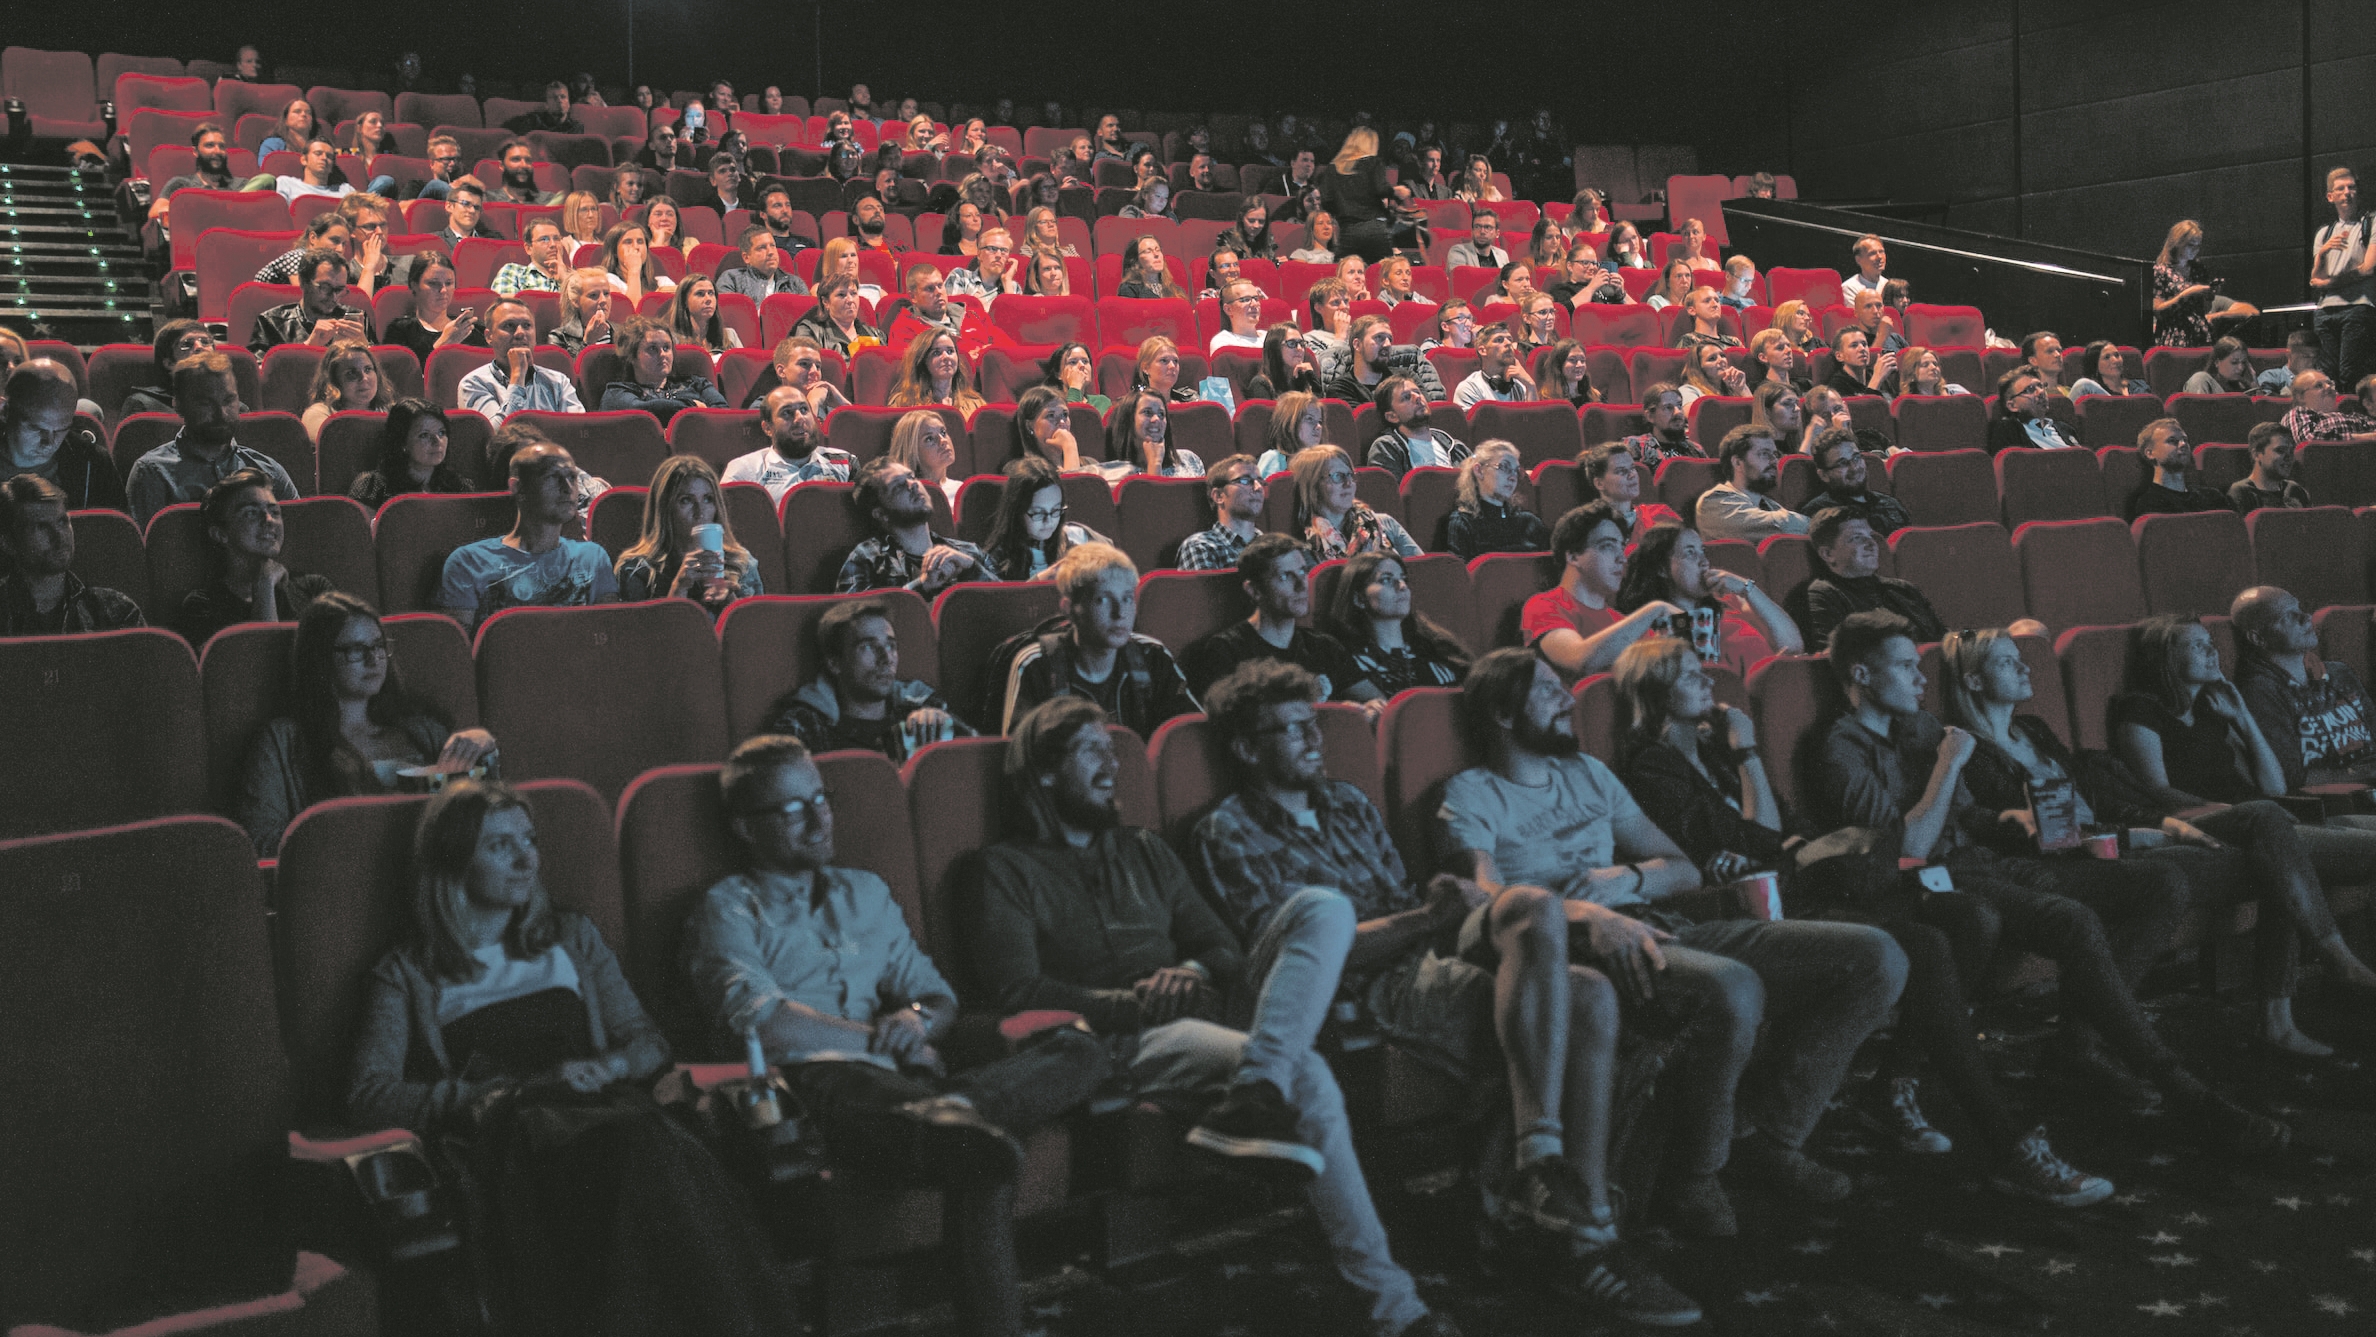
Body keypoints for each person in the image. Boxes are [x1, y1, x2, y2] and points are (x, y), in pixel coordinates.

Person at [1191, 661, 1699, 1325]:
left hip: (1425, 952)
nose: (1314, 738)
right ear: (1246, 748)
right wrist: (1425, 918)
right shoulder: (1229, 830)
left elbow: (1406, 904)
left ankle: (1542, 1165)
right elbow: (1298, 960)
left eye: (1312, 723)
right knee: (1586, 994)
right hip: (1366, 986)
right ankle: (1586, 1236)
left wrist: (1437, 908)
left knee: (1542, 919)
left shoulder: (1347, 802)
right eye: (1291, 729)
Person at [967, 698, 1460, 1337]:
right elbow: (1018, 989)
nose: (1113, 764)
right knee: (1306, 1073)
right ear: (1043, 772)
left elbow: (1222, 948)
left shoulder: (1143, 849)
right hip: (1126, 1037)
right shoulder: (1004, 869)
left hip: (1212, 1005)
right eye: (1091, 751)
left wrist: (1192, 971)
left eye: (1113, 749)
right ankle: (1395, 1310)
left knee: (1325, 907)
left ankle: (1257, 1085)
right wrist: (1131, 1002)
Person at [1616, 634, 2115, 1205]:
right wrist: (1752, 762)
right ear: (1655, 692)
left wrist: (1752, 777)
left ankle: (1893, 1086)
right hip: (1764, 904)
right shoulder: (1651, 765)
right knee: (1925, 945)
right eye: (1690, 675)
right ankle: (2006, 1140)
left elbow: (1776, 829)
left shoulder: (1714, 752)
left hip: (1810, 880)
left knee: (1963, 917)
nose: (1709, 680)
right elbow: (1753, 838)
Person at [1444, 647, 1910, 1224]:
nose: (1567, 699)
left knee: (1877, 956)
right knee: (1734, 987)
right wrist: (1588, 914)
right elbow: (1489, 901)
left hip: (1662, 919)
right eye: (1546, 690)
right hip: (1582, 946)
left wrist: (1627, 877)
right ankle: (1696, 1175)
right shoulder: (1469, 794)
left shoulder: (1589, 774)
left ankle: (1772, 1136)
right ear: (1502, 714)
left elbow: (1683, 869)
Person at [1816, 612, 2289, 1151]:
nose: (1921, 679)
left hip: (1983, 861)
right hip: (1929, 880)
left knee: (2158, 882)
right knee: (2072, 919)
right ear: (1862, 675)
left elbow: (1967, 816)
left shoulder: (1921, 727)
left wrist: (2009, 819)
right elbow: (1908, 851)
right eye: (1905, 667)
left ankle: (2078, 1047)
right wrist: (1948, 766)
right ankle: (2178, 1087)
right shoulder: (1841, 749)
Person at [687, 736, 1106, 1337]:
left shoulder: (866, 892)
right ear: (746, 828)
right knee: (981, 1152)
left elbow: (936, 997)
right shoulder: (729, 907)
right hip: (818, 1085)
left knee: (1079, 1047)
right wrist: (879, 1041)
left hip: (906, 1083)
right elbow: (761, 1021)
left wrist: (915, 1021)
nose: (819, 820)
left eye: (821, 799)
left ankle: (951, 1113)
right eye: (793, 810)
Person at [350, 779, 801, 1336]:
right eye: (501, 846)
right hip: (518, 1135)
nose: (527, 860)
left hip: (607, 1110)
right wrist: (489, 1093)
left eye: (530, 840)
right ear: (453, 861)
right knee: (645, 1152)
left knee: (656, 1147)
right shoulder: (406, 972)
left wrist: (610, 1066)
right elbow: (369, 1095)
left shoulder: (570, 937)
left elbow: (647, 1042)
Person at [1947, 623, 2371, 1063]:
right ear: (1974, 681)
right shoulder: (1969, 753)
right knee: (2277, 857)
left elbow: (2102, 800)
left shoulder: (2033, 730)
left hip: (2127, 834)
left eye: (2021, 658)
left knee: (2266, 822)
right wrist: (2137, 837)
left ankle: (2312, 985)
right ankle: (2301, 996)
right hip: (2101, 857)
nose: (2024, 668)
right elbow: (2033, 835)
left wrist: (2167, 825)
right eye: (2007, 662)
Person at [994, 542, 1198, 735]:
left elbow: (1189, 733)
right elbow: (1021, 753)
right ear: (1069, 608)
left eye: (1127, 599)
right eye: (1103, 600)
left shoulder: (1152, 656)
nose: (1120, 613)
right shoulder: (1037, 665)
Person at [746, 603, 971, 759]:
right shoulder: (806, 726)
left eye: (891, 645)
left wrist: (948, 726)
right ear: (835, 663)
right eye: (868, 646)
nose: (886, 658)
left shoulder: (922, 707)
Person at [1182, 535, 1383, 706]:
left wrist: (1368, 710)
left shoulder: (1324, 647)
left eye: (1303, 572)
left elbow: (1378, 704)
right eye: (1286, 576)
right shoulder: (1226, 650)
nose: (1302, 585)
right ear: (1254, 590)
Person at [437, 442, 617, 630]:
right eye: (553, 477)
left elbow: (609, 636)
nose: (568, 488)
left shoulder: (593, 557)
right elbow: (459, 645)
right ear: (518, 487)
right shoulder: (469, 562)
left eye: (572, 477)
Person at [126, 352, 299, 528]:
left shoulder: (269, 470)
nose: (221, 414)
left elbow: (299, 537)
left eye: (228, 400)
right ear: (178, 405)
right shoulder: (152, 473)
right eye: (206, 403)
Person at [171, 468, 335, 646]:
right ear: (221, 534)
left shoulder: (313, 589)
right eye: (251, 513)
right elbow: (263, 658)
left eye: (275, 512)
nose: (269, 520)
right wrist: (264, 584)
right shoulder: (202, 605)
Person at [1617, 519, 1801, 678]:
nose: (1704, 562)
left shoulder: (1732, 602)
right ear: (1662, 569)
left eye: (1702, 551)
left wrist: (1747, 588)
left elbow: (1793, 646)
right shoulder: (1652, 627)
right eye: (1690, 553)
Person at [612, 454, 762, 613]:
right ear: (665, 510)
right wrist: (679, 588)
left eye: (708, 499)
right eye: (686, 500)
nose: (700, 512)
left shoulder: (741, 563)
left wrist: (730, 602)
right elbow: (645, 629)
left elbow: (755, 627)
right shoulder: (637, 570)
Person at [0, 473, 143, 635]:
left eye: (63, 522)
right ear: (8, 543)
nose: (59, 536)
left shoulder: (117, 613)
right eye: (42, 527)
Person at [836, 457, 989, 595]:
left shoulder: (969, 552)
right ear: (881, 513)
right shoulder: (866, 558)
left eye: (911, 477)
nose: (913, 485)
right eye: (898, 486)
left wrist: (973, 568)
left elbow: (1003, 603)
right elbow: (853, 614)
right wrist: (922, 586)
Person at [1320, 553, 1471, 694]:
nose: (1402, 586)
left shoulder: (1437, 650)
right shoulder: (1349, 666)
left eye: (1403, 579)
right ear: (1359, 599)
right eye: (1386, 579)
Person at [1802, 508, 1944, 650]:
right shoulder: (1824, 593)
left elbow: (1943, 640)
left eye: (1870, 535)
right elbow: (1835, 655)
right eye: (1857, 538)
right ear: (1828, 554)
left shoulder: (1903, 589)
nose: (1871, 543)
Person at [3, 359, 123, 513]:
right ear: (6, 412)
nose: (49, 443)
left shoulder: (94, 462)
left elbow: (115, 525)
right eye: (36, 428)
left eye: (61, 430)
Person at [979, 457, 1108, 581]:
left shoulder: (1071, 542)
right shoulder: (998, 559)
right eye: (1038, 513)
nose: (1049, 521)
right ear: (1017, 512)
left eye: (1056, 510)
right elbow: (1004, 595)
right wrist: (1041, 579)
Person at [459, 299, 585, 426]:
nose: (520, 333)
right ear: (489, 336)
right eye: (509, 325)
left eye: (527, 326)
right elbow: (495, 434)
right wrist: (518, 377)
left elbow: (579, 429)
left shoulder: (558, 381)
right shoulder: (473, 383)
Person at [1293, 444, 1418, 565]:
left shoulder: (1386, 524)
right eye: (1338, 476)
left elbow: (1420, 572)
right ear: (1313, 485)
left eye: (1350, 475)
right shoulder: (1305, 546)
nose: (1348, 483)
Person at [722, 386, 853, 501]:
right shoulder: (744, 471)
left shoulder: (845, 462)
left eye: (804, 409)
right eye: (787, 413)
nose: (800, 418)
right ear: (768, 428)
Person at [2311, 166, 2376, 391]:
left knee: (2350, 373)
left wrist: (2329, 283)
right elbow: (2315, 278)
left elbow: (2367, 268)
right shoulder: (2325, 233)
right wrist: (2322, 253)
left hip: (2358, 307)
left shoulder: (2370, 223)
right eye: (2340, 188)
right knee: (2327, 374)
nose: (2347, 192)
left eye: (2351, 187)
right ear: (2330, 196)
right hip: (2326, 310)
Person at [346, 399, 473, 510]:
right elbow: (359, 529)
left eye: (441, 433)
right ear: (402, 442)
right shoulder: (373, 487)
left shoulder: (459, 486)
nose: (437, 441)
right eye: (424, 435)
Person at [1694, 426, 1814, 542]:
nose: (1774, 461)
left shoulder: (1768, 503)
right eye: (1764, 454)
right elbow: (1781, 524)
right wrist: (1818, 525)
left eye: (1776, 454)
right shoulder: (1713, 502)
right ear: (1737, 463)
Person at [250, 249, 372, 354]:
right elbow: (259, 370)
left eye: (339, 290)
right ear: (303, 282)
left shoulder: (355, 318)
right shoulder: (271, 322)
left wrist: (365, 347)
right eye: (324, 288)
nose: (334, 297)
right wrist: (308, 347)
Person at [1443, 440, 1547, 558]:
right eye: (1504, 467)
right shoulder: (1463, 524)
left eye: (1516, 471)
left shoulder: (1529, 522)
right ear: (1479, 471)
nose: (1513, 477)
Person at [1798, 428, 1911, 534]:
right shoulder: (1818, 513)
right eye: (1842, 463)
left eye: (1856, 458)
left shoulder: (1891, 504)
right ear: (1824, 475)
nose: (1854, 468)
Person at [381, 251, 483, 364]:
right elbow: (403, 373)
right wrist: (443, 343)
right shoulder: (400, 331)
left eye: (449, 283)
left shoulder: (469, 329)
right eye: (434, 283)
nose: (443, 290)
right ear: (414, 285)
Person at [1324, 314, 1447, 406]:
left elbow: (1424, 412)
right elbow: (1367, 426)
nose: (1388, 344)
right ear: (1357, 345)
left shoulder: (1407, 377)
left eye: (1389, 339)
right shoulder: (1341, 388)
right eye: (1379, 338)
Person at [2123, 417, 2225, 519]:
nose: (2183, 444)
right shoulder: (2149, 502)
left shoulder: (2213, 496)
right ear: (2150, 453)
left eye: (2185, 440)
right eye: (2172, 441)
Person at [1580, 443, 1679, 540]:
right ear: (1599, 483)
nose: (1632, 475)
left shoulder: (1660, 514)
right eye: (1621, 471)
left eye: (1632, 468)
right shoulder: (1589, 527)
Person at [298, 339, 391, 442]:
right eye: (351, 373)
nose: (364, 378)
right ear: (334, 380)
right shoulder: (318, 414)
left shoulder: (390, 411)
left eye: (368, 369)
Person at [1107, 390, 1202, 479]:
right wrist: (1155, 464)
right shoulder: (1113, 473)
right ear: (1129, 420)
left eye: (1161, 414)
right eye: (1147, 412)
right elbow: (1155, 492)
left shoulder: (1190, 460)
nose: (1156, 419)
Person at [886, 329, 986, 414]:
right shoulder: (903, 403)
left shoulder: (975, 404)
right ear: (922, 361)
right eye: (936, 353)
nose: (946, 357)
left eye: (950, 351)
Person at [1986, 369, 2083, 453]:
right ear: (2012, 406)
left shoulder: (2065, 428)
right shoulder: (2007, 430)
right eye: (2030, 389)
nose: (2041, 392)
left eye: (2041, 386)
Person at [886, 408, 962, 507]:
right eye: (929, 439)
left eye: (943, 432)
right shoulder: (903, 498)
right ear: (912, 451)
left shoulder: (962, 490)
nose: (943, 441)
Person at [2278, 368, 2376, 446]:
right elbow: (2309, 440)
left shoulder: (2353, 414)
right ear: (2300, 397)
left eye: (2330, 383)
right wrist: (2366, 437)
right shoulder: (2297, 413)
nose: (2328, 387)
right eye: (2319, 385)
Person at [788, 276, 878, 359]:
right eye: (841, 295)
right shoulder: (810, 332)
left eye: (853, 293)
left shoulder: (875, 334)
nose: (850, 300)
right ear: (826, 302)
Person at [2228, 421, 2309, 511]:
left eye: (2291, 451)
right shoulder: (2241, 493)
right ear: (2256, 454)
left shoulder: (2295, 490)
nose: (2289, 458)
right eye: (2280, 450)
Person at [1452, 325, 1537, 409]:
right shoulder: (1470, 389)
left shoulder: (1519, 385)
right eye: (1499, 340)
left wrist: (1531, 385)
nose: (1508, 343)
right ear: (1483, 350)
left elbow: (1532, 417)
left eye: (1510, 339)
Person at [602, 222, 680, 307]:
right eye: (628, 242)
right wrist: (634, 270)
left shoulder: (663, 282)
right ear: (614, 252)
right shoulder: (607, 281)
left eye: (640, 241)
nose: (636, 247)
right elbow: (630, 311)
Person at [1622, 383, 1697, 468]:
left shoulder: (1694, 449)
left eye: (1679, 405)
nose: (1678, 412)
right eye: (1668, 407)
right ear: (1650, 416)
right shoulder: (1634, 447)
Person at [546, 268, 614, 359]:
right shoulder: (559, 337)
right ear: (575, 301)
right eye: (593, 295)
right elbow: (567, 368)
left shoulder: (623, 333)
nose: (603, 300)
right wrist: (588, 343)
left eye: (606, 294)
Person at [492, 218, 570, 298]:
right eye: (544, 239)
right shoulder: (512, 271)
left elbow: (577, 304)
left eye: (556, 239)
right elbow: (506, 304)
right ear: (528, 248)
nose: (553, 244)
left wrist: (564, 279)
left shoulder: (573, 277)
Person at [1246, 324, 1321, 401]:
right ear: (1275, 348)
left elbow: (1320, 407)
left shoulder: (1305, 380)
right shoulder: (1261, 384)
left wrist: (1312, 379)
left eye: (1302, 344)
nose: (1299, 348)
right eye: (1291, 343)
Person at [1823, 327, 1895, 401]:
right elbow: (1865, 408)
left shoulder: (1876, 374)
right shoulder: (1837, 386)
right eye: (1854, 345)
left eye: (1864, 344)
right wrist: (1876, 380)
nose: (1862, 348)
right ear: (1839, 356)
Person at [2069, 342, 2149, 399]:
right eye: (2107, 357)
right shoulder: (2092, 391)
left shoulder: (2139, 385)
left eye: (2117, 355)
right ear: (2095, 366)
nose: (2115, 360)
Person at [1677, 343, 1748, 407]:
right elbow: (1691, 414)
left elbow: (1754, 413)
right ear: (1698, 367)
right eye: (1712, 358)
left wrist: (1742, 389)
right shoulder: (1689, 390)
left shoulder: (1733, 385)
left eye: (1722, 355)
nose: (1721, 360)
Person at [1671, 287, 1738, 354]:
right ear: (1692, 310)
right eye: (1707, 301)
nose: (1715, 305)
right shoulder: (1688, 341)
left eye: (1717, 301)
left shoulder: (1734, 342)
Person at [2182, 336, 2257, 395]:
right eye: (2234, 362)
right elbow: (2197, 407)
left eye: (2243, 363)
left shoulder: (2244, 387)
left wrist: (2254, 385)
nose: (2241, 368)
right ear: (2217, 362)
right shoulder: (2202, 379)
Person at [1898, 346, 1969, 398]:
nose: (1933, 367)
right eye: (1925, 365)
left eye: (1935, 364)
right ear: (1912, 373)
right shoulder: (1908, 403)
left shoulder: (1956, 391)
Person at [1838, 234, 1888, 306]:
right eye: (1872, 253)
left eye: (1881, 251)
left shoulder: (1888, 284)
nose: (1879, 257)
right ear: (1858, 260)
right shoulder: (1850, 288)